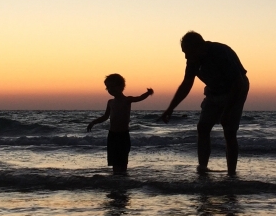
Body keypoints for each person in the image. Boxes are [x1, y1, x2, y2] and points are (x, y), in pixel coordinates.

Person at [161, 31, 249, 175]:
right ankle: (202, 168)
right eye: (184, 53)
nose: (186, 56)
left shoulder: (220, 52)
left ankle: (231, 173)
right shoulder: (192, 60)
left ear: (200, 47)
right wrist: (170, 108)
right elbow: (186, 84)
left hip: (236, 89)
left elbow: (237, 83)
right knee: (202, 127)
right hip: (214, 90)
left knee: (229, 131)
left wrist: (227, 111)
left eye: (188, 52)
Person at [87, 74, 153, 173]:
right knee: (114, 161)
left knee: (122, 160)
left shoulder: (127, 100)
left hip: (123, 135)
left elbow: (139, 98)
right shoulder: (110, 102)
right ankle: (116, 181)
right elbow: (105, 117)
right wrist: (93, 122)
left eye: (113, 86)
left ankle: (123, 180)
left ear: (121, 86)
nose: (110, 89)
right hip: (112, 135)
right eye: (108, 87)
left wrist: (148, 93)